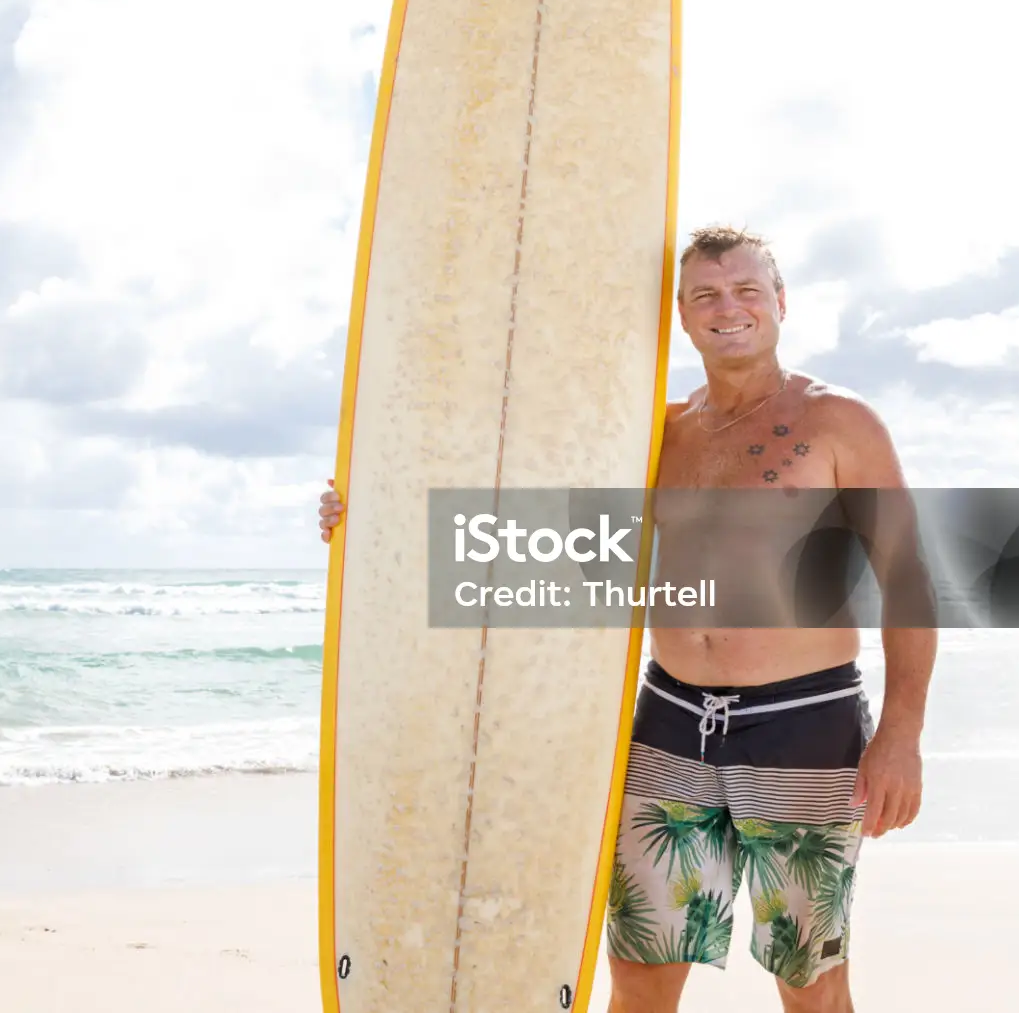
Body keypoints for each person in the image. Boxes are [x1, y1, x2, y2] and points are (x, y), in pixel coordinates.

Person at [317, 225, 936, 1013]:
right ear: (681, 313)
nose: (729, 308)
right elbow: (522, 507)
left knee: (808, 979)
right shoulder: (659, 432)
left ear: (780, 302)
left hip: (803, 723)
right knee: (640, 969)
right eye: (706, 294)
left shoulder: (839, 422)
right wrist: (372, 508)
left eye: (747, 290)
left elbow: (909, 579)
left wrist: (901, 734)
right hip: (671, 719)